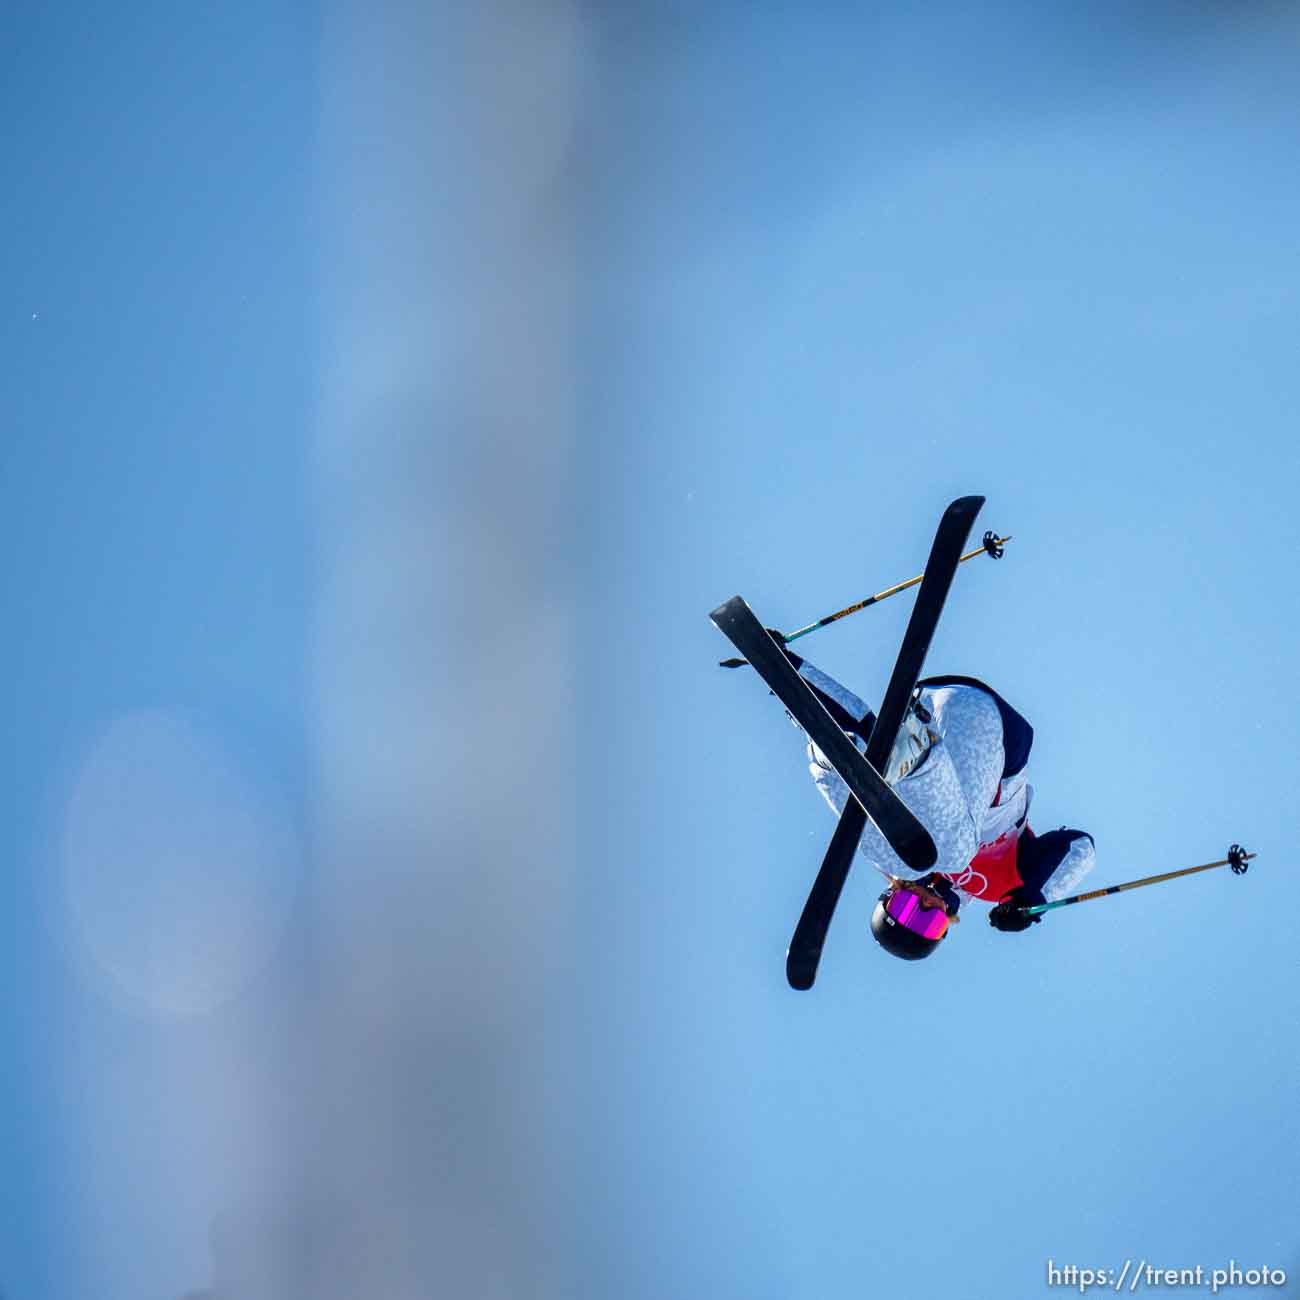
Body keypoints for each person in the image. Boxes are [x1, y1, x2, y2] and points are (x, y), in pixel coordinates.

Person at [770, 638, 1095, 960]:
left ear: (891, 895)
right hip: (994, 738)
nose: (926, 905)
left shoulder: (894, 846)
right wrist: (1032, 897)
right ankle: (915, 755)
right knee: (944, 854)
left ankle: (828, 752)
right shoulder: (1003, 883)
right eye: (928, 922)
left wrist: (782, 667)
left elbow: (865, 747)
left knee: (884, 841)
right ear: (947, 924)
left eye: (908, 909)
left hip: (928, 704)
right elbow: (1080, 848)